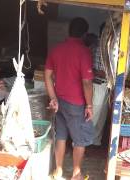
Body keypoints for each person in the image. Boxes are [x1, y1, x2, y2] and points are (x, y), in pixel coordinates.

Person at [44, 17, 94, 180]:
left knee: (61, 136)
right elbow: (87, 83)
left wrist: (53, 98)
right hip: (76, 104)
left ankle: (58, 171)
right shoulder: (84, 52)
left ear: (69, 31)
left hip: (60, 102)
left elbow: (47, 75)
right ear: (85, 34)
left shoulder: (57, 49)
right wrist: (89, 106)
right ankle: (76, 175)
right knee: (79, 141)